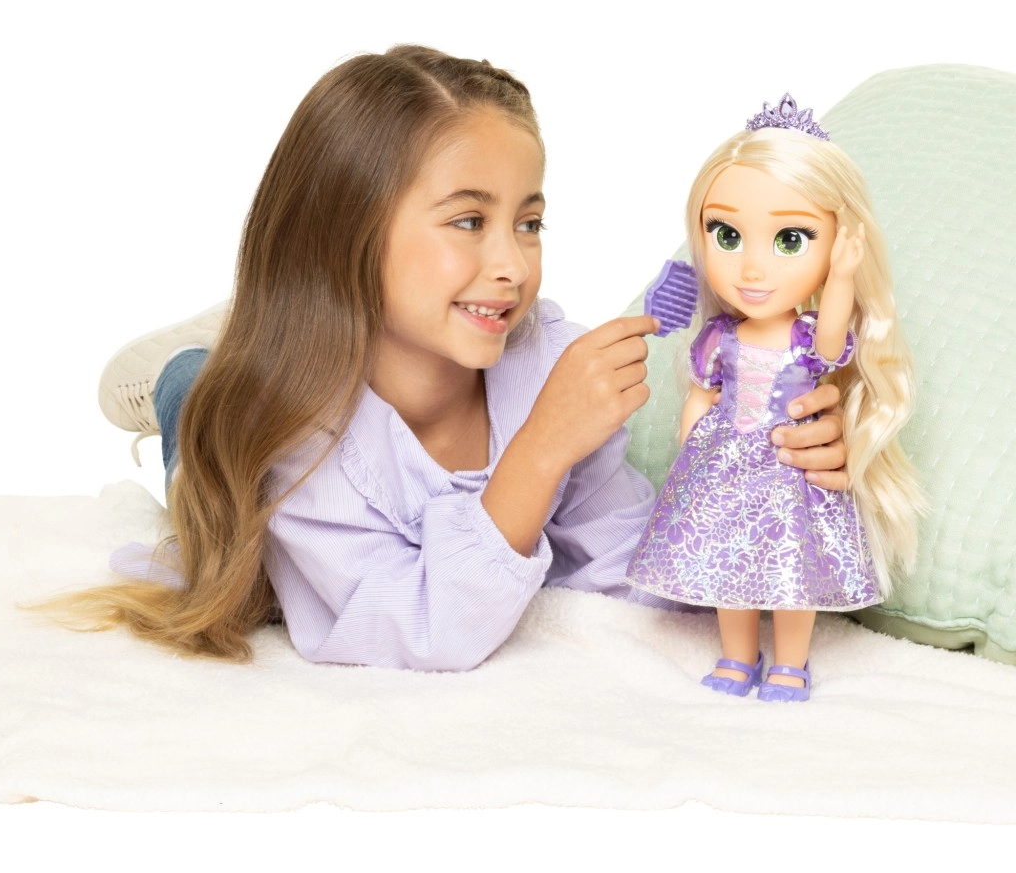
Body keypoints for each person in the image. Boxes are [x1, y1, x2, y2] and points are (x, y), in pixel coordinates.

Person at [70, 50, 848, 671]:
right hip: (225, 406)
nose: (511, 265)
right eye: (469, 220)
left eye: (529, 223)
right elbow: (420, 627)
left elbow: (635, 569)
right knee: (197, 399)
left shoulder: (544, 363)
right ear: (347, 237)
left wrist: (772, 478)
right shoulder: (288, 436)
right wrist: (540, 448)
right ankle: (201, 355)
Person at [626, 95, 924, 701]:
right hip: (724, 465)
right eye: (727, 235)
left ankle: (790, 663)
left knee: (793, 572)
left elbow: (835, 342)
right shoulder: (720, 336)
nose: (753, 269)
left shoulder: (805, 337)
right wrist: (691, 446)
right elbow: (703, 393)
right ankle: (738, 657)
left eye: (790, 239)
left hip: (787, 469)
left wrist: (842, 277)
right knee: (727, 568)